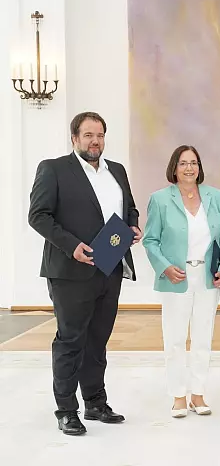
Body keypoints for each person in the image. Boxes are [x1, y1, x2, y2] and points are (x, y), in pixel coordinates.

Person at [28, 111, 141, 436]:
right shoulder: (54, 169)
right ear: (74, 138)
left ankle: (95, 402)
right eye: (89, 135)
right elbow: (38, 215)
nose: (95, 141)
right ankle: (66, 410)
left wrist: (133, 225)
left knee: (98, 339)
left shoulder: (116, 170)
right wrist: (72, 245)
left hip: (110, 265)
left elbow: (129, 208)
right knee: (70, 340)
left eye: (100, 135)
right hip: (70, 270)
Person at [142, 145, 220, 418]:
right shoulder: (160, 199)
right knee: (175, 339)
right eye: (183, 163)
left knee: (203, 337)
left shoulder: (215, 197)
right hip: (176, 278)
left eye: (194, 162)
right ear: (174, 167)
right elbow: (150, 240)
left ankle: (198, 394)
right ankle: (178, 396)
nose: (189, 168)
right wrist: (165, 267)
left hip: (207, 278)